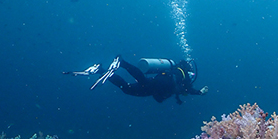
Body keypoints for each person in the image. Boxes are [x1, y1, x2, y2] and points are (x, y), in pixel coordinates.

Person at [64, 56, 208, 104]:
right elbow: (188, 89)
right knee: (142, 82)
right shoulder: (184, 75)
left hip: (157, 84)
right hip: (160, 85)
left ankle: (100, 70)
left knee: (127, 88)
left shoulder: (176, 71)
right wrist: (200, 93)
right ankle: (122, 63)